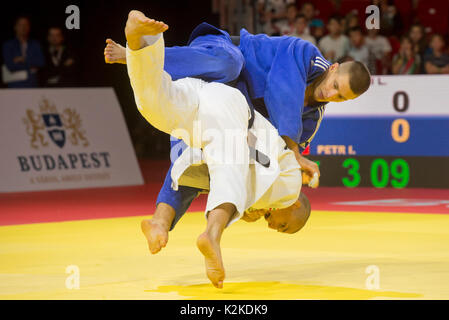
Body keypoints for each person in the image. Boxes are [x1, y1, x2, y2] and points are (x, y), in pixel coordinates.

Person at [104, 15, 371, 248]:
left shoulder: (311, 121)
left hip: (225, 106)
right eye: (335, 85)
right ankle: (138, 55)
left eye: (340, 97)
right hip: (222, 55)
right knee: (228, 63)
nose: (330, 94)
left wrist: (250, 200)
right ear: (333, 68)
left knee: (201, 156)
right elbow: (282, 89)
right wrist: (293, 149)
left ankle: (159, 222)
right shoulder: (305, 54)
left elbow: (266, 153)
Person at [124, 10, 312, 288]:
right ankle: (212, 234)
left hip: (200, 102)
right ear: (294, 204)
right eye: (283, 224)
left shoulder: (262, 184)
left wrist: (249, 206)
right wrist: (250, 207)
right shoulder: (290, 186)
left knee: (153, 104)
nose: (272, 226)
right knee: (230, 167)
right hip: (229, 108)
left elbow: (198, 168)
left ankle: (139, 42)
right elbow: (244, 160)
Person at [2, 16, 44, 88]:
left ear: (29, 27)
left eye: (26, 25)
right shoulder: (8, 45)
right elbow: (10, 66)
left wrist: (23, 60)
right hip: (15, 84)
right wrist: (31, 67)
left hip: (32, 84)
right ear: (15, 27)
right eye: (20, 25)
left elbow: (40, 62)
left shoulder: (35, 44)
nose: (23, 27)